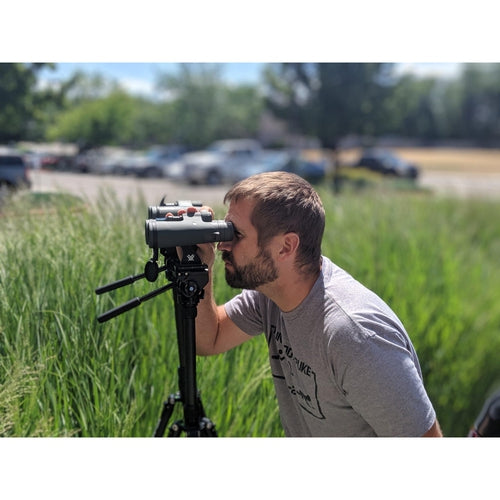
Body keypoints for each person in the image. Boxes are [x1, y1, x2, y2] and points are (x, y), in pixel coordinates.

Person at [194, 171, 442, 437]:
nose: (222, 245)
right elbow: (210, 338)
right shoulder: (269, 296)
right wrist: (197, 265)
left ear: (286, 247)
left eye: (236, 234)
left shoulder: (355, 337)